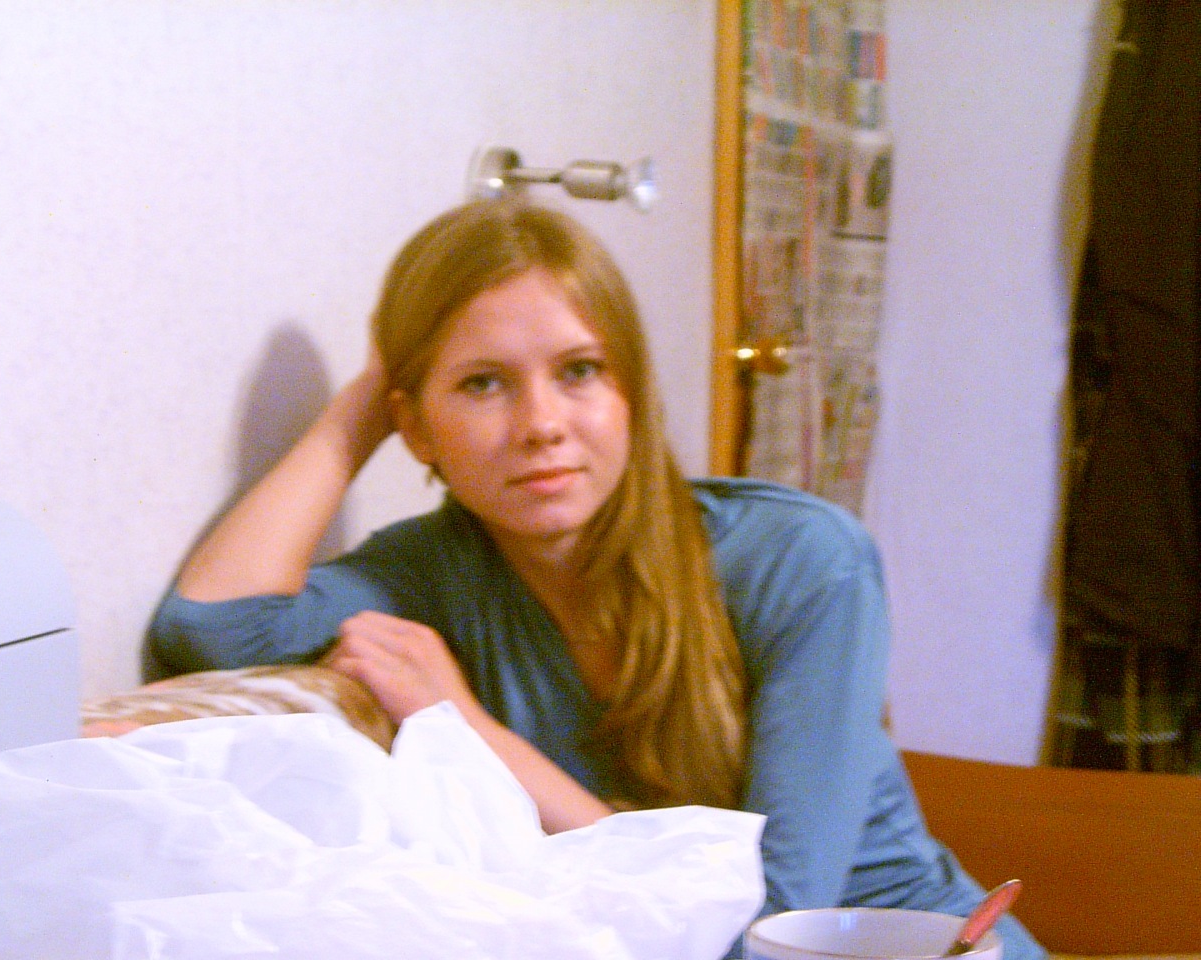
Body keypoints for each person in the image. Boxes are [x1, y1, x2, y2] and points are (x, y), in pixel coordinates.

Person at [150, 199, 1046, 959]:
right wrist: (367, 406)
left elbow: (768, 930)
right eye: (483, 384)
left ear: (632, 394)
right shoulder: (434, 568)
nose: (541, 424)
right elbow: (213, 626)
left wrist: (474, 733)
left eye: (579, 371)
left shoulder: (801, 558)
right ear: (416, 427)